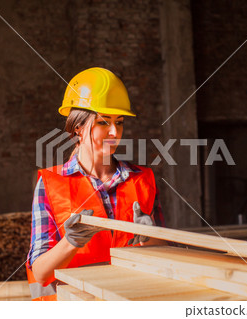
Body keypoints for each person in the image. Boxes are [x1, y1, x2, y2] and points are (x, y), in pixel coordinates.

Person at [26, 67, 166, 301]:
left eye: (119, 122)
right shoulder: (50, 184)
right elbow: (40, 273)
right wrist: (70, 242)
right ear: (78, 128)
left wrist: (150, 235)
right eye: (103, 122)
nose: (114, 131)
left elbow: (164, 254)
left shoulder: (142, 180)